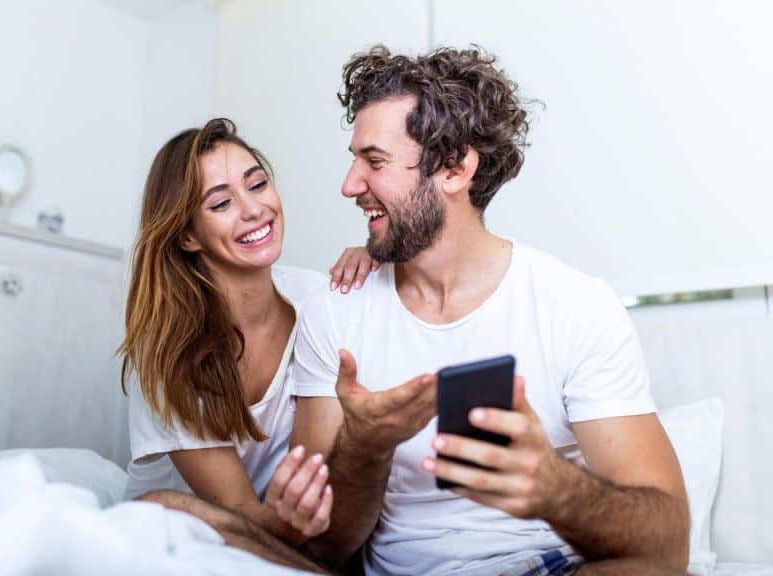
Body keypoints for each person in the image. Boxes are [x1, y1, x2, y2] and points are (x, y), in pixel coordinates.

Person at [266, 46, 690, 576]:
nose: (350, 185)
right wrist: (365, 447)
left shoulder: (574, 306)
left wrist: (558, 490)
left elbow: (668, 545)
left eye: (374, 162)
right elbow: (322, 551)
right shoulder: (334, 312)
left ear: (455, 168)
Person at [118, 118, 377, 570]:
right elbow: (237, 512)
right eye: (221, 202)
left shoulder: (318, 301)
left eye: (257, 184)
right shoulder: (166, 354)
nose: (253, 209)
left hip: (281, 530)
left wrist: (379, 261)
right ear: (187, 235)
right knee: (162, 505)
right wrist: (294, 523)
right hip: (197, 531)